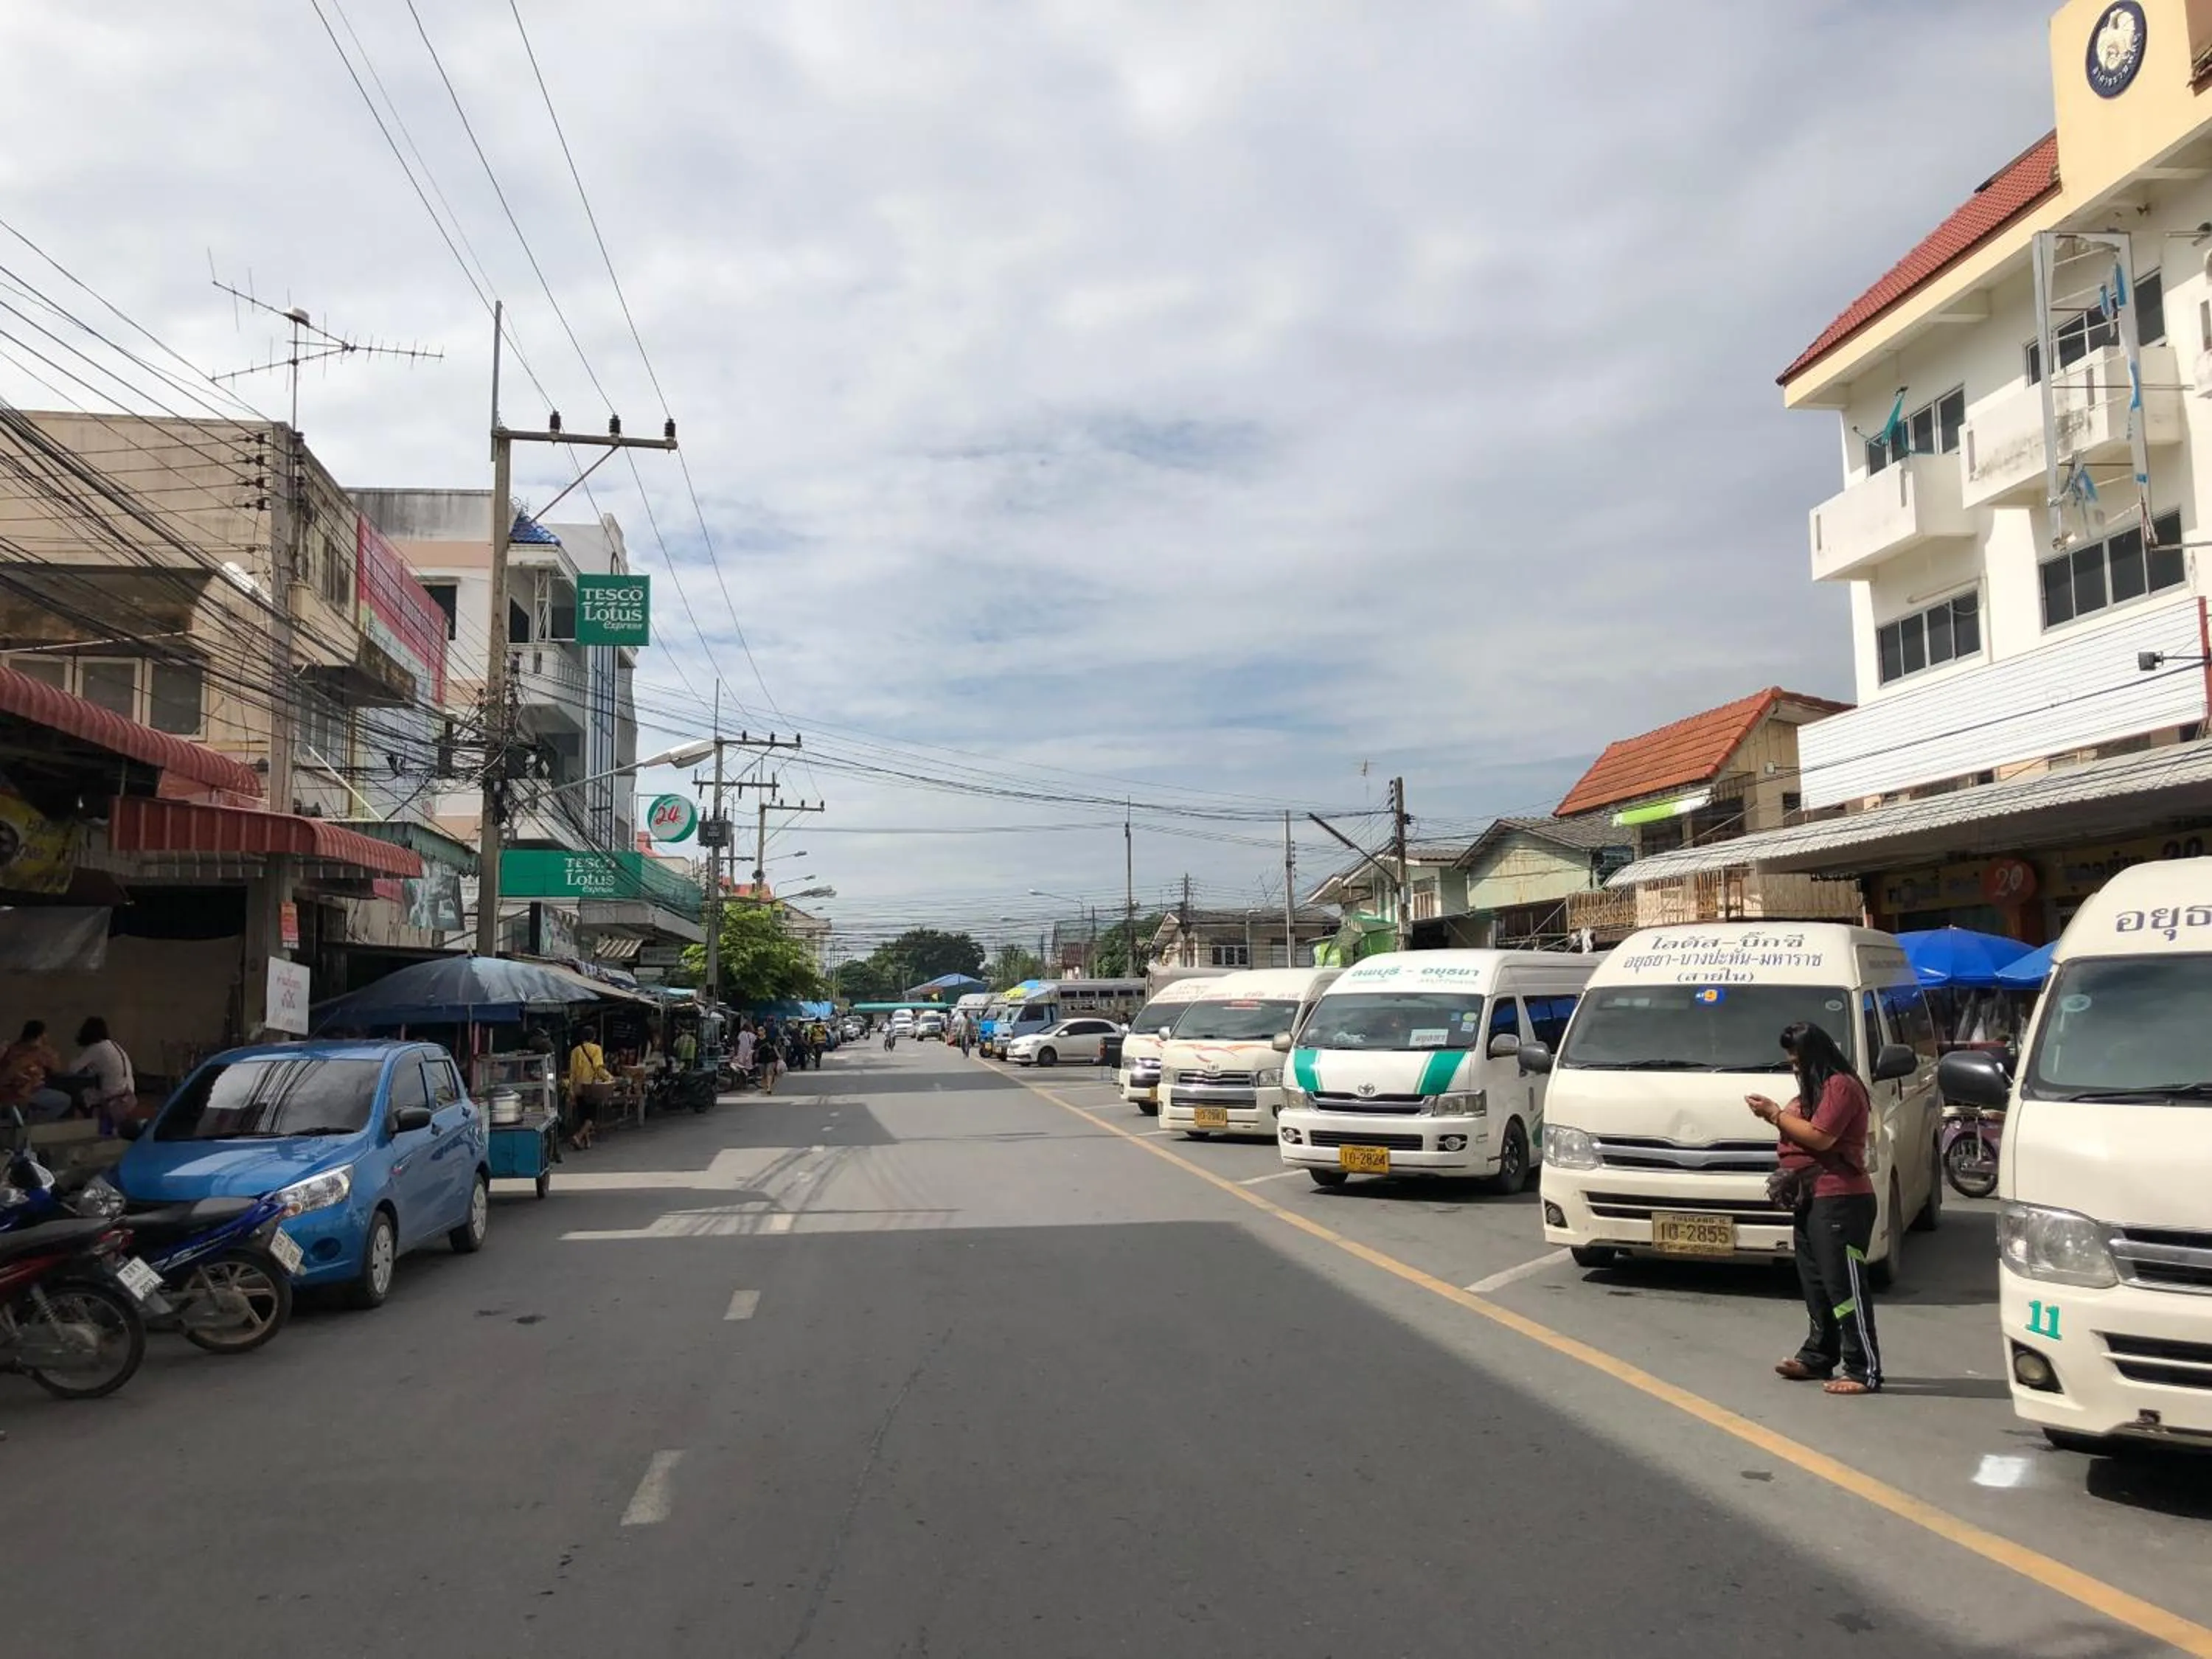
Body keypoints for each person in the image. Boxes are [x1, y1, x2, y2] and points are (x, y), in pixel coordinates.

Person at [1747, 1021, 1882, 1396]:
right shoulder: (1812, 1092)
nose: (1794, 1070)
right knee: (1816, 1283)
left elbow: (1820, 1138)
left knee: (1844, 1286)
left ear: (1816, 1058)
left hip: (1841, 1199)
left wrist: (1775, 1114)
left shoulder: (1840, 1086)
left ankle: (1862, 1368)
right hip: (1811, 1198)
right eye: (1791, 1063)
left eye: (1798, 1063)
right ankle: (1818, 1355)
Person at [61, 1017, 136, 1137]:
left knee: (83, 1095)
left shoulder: (96, 1048)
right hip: (129, 1095)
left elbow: (73, 1068)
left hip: (114, 1099)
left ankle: (90, 1127)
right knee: (93, 1094)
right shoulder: (114, 1045)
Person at [0, 1020, 65, 1121]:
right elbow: (57, 1070)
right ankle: (33, 1122)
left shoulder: (13, 1048)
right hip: (25, 1091)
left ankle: (28, 1118)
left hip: (10, 1092)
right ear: (41, 1035)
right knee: (64, 1100)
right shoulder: (41, 1052)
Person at [567, 1027, 614, 1150]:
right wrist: (609, 1078)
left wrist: (571, 1089)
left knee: (583, 1115)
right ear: (593, 1037)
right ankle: (578, 1137)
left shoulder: (575, 1051)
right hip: (591, 1087)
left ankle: (586, 1142)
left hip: (578, 1087)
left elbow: (572, 1072)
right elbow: (598, 1067)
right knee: (592, 1116)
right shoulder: (596, 1049)